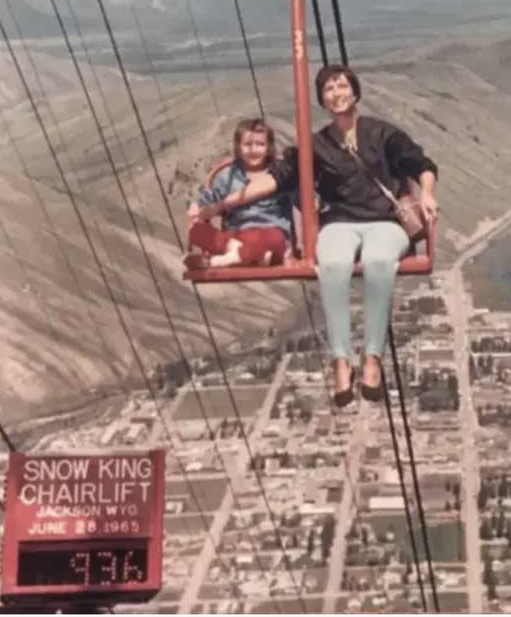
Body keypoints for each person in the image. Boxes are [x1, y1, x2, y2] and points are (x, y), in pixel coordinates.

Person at [191, 66, 438, 404]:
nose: (336, 93)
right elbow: (274, 179)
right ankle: (340, 359)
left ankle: (372, 358)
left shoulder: (382, 135)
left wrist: (426, 193)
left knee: (379, 261)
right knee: (332, 264)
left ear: (355, 93)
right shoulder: (317, 144)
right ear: (322, 100)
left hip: (385, 222)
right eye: (328, 89)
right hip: (339, 222)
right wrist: (221, 205)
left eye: (342, 86)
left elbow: (420, 164)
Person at [185, 118, 290, 269]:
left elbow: (304, 201)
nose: (253, 150)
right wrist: (197, 207)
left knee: (276, 238)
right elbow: (209, 200)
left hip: (269, 231)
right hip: (236, 235)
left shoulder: (280, 174)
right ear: (238, 147)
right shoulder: (227, 176)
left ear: (269, 147)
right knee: (197, 231)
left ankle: (222, 261)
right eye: (247, 144)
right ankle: (250, 256)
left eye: (260, 144)